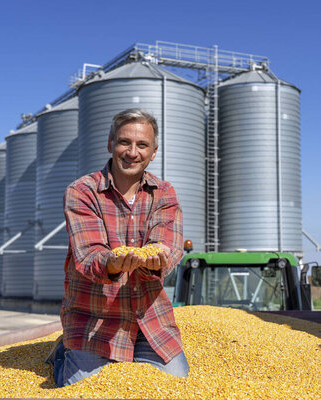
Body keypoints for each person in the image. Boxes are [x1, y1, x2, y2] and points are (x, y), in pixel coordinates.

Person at [47, 108, 188, 387]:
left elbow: (167, 246)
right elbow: (88, 256)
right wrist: (112, 262)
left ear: (154, 151)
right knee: (84, 388)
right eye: (125, 142)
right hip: (94, 318)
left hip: (149, 320)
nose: (132, 152)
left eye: (142, 145)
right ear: (110, 143)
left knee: (176, 384)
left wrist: (158, 260)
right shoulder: (83, 191)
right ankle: (63, 353)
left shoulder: (164, 193)